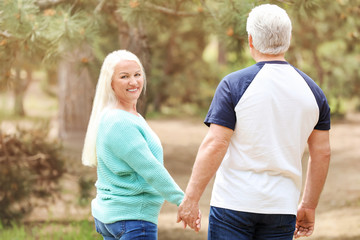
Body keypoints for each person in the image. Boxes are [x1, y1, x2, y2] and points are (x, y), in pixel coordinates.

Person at [177, 4, 331, 240]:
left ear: (250, 40)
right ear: (288, 39)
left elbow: (215, 144)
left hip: (233, 205)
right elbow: (321, 153)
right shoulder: (314, 92)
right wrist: (308, 205)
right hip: (282, 207)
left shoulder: (233, 85)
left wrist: (191, 198)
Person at [81, 50, 197, 240]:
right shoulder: (120, 122)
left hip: (115, 217)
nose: (133, 82)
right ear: (110, 83)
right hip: (132, 219)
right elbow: (150, 168)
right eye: (124, 76)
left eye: (137, 74)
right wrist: (183, 202)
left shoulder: (122, 116)